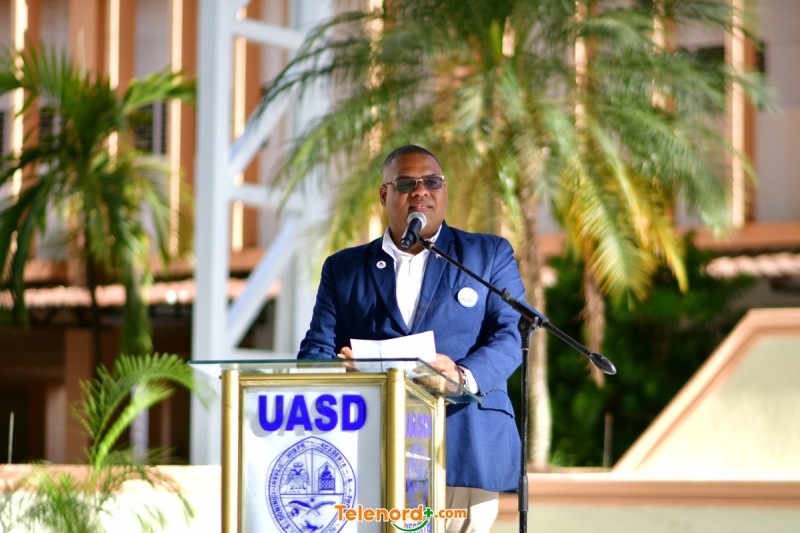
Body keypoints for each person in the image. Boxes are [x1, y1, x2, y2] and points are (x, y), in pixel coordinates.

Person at [297, 144, 525, 533]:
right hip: (374, 445)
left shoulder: (486, 254)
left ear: (444, 190)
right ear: (384, 194)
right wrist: (340, 374)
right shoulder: (344, 268)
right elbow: (315, 351)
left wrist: (461, 376)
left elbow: (512, 332)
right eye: (406, 183)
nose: (421, 191)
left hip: (464, 441)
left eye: (432, 182)